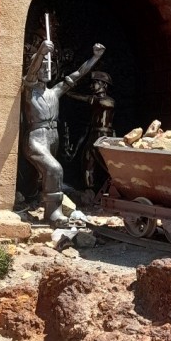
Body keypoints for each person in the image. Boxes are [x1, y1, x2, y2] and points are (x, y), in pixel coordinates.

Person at [22, 39, 105, 224]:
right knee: (55, 169)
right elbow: (31, 73)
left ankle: (30, 199)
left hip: (53, 138)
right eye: (43, 66)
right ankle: (53, 213)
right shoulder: (30, 90)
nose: (45, 70)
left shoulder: (55, 92)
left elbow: (78, 74)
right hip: (36, 138)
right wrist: (42, 52)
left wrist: (95, 57)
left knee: (40, 176)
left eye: (49, 67)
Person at [66, 70, 116, 190]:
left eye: (95, 83)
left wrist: (68, 92)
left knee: (108, 165)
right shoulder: (95, 103)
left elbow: (95, 101)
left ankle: (116, 187)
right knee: (87, 161)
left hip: (104, 135)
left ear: (104, 85)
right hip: (94, 134)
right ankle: (90, 191)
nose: (92, 86)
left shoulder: (108, 101)